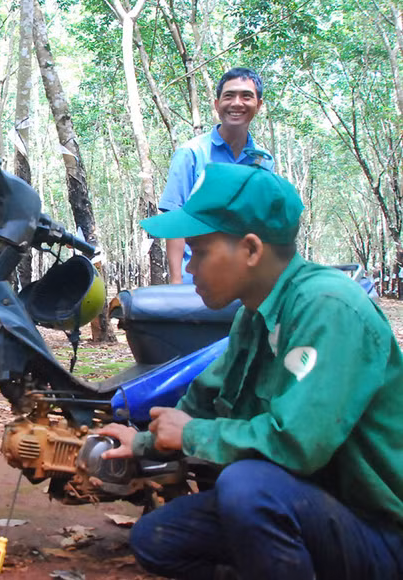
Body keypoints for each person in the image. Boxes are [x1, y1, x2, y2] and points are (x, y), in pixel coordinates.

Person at [99, 163, 403, 579]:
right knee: (159, 538)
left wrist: (190, 435)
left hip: (379, 530)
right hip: (311, 508)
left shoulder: (329, 307)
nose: (190, 268)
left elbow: (297, 445)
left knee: (247, 486)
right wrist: (143, 442)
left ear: (252, 250)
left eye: (201, 252)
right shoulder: (254, 316)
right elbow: (205, 402)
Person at [159, 67, 275, 284]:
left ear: (259, 105)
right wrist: (175, 283)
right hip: (197, 283)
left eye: (246, 96)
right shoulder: (191, 154)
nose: (237, 103)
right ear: (217, 104)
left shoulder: (264, 160)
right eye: (229, 96)